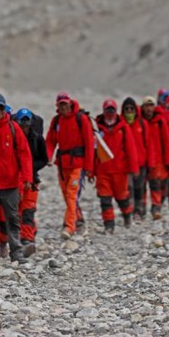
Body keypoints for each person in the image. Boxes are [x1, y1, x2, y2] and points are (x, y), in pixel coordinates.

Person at [0, 93, 33, 263]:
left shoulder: (13, 128)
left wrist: (27, 178)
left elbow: (24, 154)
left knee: (13, 218)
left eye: (1, 107)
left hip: (10, 184)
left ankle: (16, 251)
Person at [45, 92, 95, 239]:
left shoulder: (82, 119)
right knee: (67, 196)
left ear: (70, 103)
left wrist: (89, 168)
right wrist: (49, 156)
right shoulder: (57, 121)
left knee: (72, 194)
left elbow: (89, 144)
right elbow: (50, 141)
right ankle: (79, 220)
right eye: (61, 105)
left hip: (78, 164)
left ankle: (69, 226)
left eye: (65, 104)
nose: (63, 107)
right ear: (57, 106)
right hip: (62, 164)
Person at [94, 99, 139, 232]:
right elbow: (92, 150)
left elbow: (131, 149)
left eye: (112, 110)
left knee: (122, 197)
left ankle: (127, 216)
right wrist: (91, 170)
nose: (110, 112)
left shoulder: (123, 127)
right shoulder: (96, 128)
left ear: (116, 111)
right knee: (105, 199)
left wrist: (134, 168)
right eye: (108, 110)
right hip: (103, 170)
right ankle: (109, 225)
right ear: (104, 110)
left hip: (120, 170)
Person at [14, 108, 49, 254]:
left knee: (28, 209)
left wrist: (30, 168)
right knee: (17, 210)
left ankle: (27, 239)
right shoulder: (12, 137)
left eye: (26, 124)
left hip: (32, 180)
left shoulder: (37, 138)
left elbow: (44, 159)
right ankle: (24, 235)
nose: (24, 127)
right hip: (16, 179)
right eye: (22, 124)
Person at [141, 96, 169, 220]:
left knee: (156, 184)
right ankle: (141, 208)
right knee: (141, 185)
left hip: (157, 159)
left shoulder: (160, 122)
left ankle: (156, 207)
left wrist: (168, 160)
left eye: (151, 106)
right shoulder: (139, 121)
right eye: (147, 106)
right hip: (143, 159)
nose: (149, 109)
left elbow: (166, 141)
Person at [121, 96, 150, 221]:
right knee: (128, 188)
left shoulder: (142, 124)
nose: (129, 112)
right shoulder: (120, 125)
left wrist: (151, 162)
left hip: (141, 162)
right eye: (126, 109)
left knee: (140, 187)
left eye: (131, 109)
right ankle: (132, 209)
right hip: (125, 163)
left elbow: (149, 144)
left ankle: (140, 208)